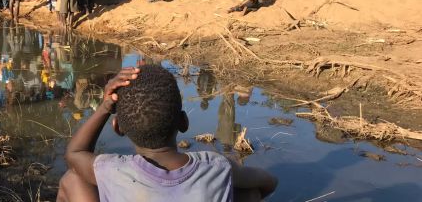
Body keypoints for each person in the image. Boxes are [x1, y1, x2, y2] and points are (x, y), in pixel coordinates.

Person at [57, 65, 278, 202]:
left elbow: (75, 153)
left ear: (118, 127)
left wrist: (106, 106)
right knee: (248, 194)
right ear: (184, 122)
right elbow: (269, 183)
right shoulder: (217, 166)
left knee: (73, 179)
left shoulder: (112, 170)